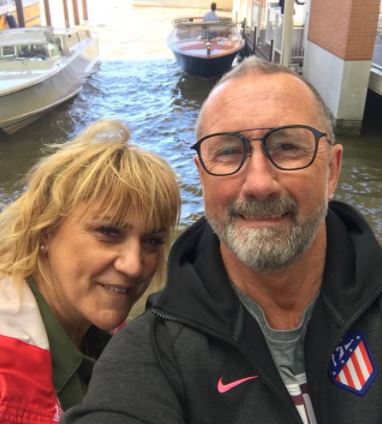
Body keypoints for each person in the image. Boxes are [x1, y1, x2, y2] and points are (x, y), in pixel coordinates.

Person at [62, 58, 382, 424]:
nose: (259, 183)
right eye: (228, 152)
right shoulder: (151, 354)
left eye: (287, 147)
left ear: (332, 170)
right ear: (202, 178)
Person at [0, 119, 180, 423]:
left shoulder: (111, 339)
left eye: (151, 241)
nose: (134, 265)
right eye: (108, 233)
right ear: (45, 231)